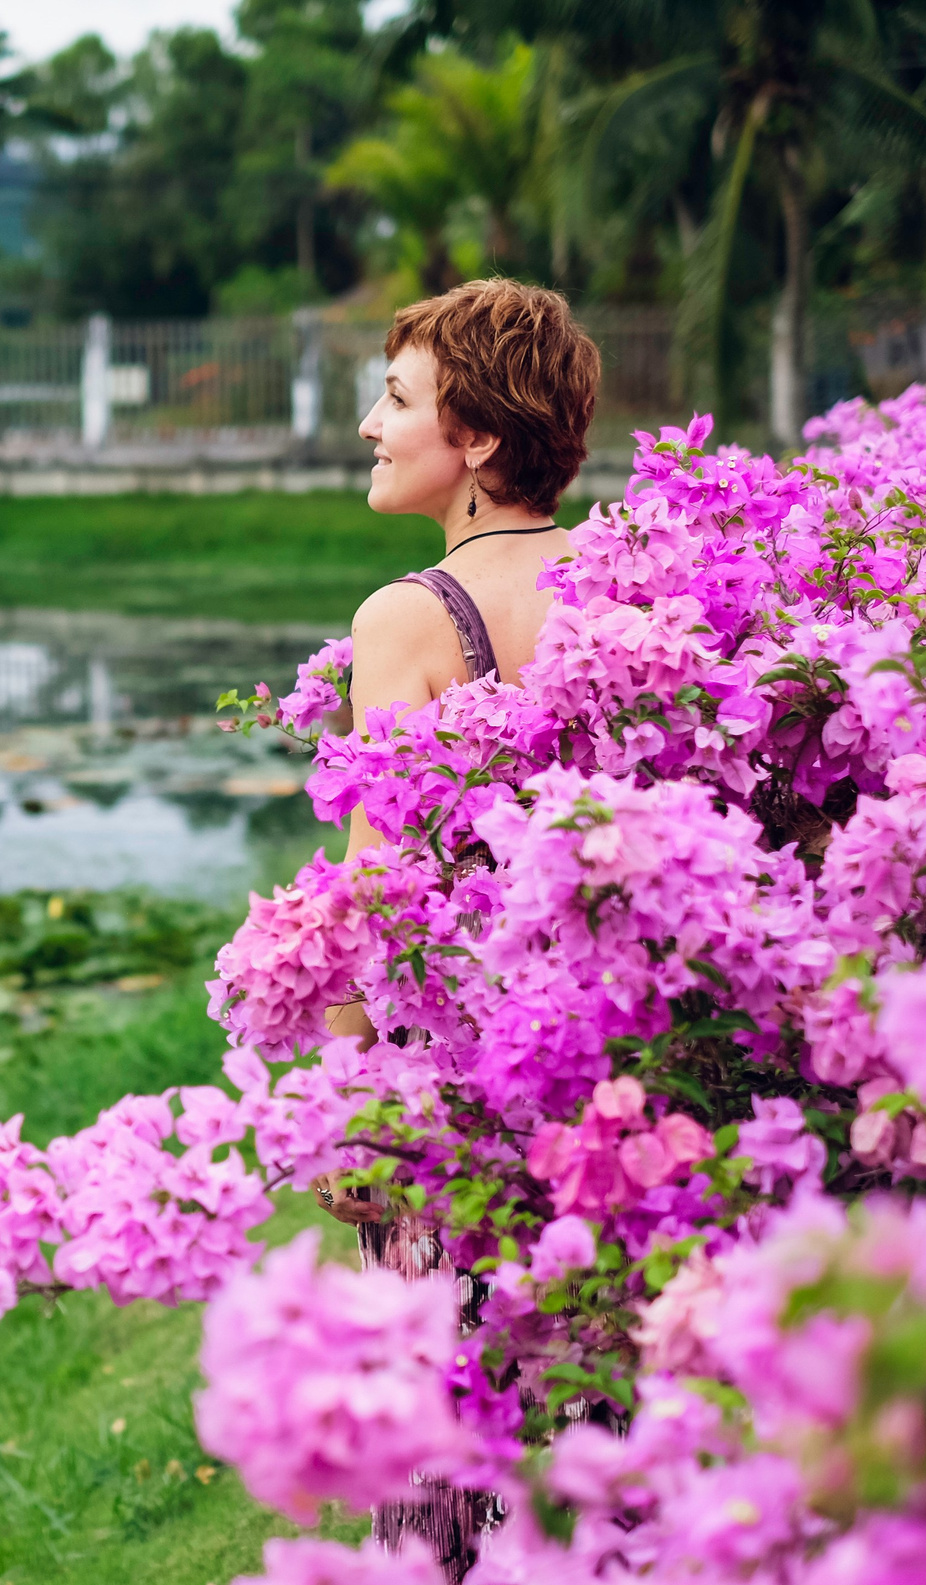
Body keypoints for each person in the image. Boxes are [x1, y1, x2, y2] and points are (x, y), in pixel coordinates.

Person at [323, 279, 600, 1040]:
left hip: (474, 1044)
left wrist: (343, 1093)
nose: (368, 425)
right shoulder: (627, 581)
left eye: (398, 401)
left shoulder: (405, 618)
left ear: (477, 438)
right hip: (611, 1020)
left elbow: (376, 886)